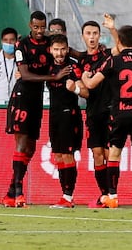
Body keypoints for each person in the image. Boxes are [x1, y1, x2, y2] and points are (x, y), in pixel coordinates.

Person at [82, 24, 132, 209]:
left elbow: (92, 84)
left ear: (119, 41)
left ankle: (112, 196)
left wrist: (86, 76)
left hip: (120, 113)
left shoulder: (114, 61)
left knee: (115, 154)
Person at [2, 11, 71, 208]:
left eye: (43, 27)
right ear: (30, 26)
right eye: (36, 27)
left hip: (37, 98)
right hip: (22, 95)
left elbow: (67, 51)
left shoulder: (49, 42)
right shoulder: (22, 45)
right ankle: (18, 193)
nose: (40, 31)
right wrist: (54, 78)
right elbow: (24, 75)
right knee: (22, 143)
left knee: (30, 148)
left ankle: (10, 192)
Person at [47, 34, 89, 208]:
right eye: (56, 49)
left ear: (67, 48)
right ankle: (64, 196)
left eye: (63, 49)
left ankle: (68, 196)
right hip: (54, 114)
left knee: (67, 154)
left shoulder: (73, 66)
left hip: (69, 115)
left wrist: (76, 88)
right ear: (50, 50)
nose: (60, 53)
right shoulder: (47, 66)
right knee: (57, 155)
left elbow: (87, 92)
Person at [77, 20, 113, 208]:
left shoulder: (107, 55)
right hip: (92, 113)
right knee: (97, 155)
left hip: (110, 111)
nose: (91, 37)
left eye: (95, 33)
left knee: (109, 154)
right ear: (83, 36)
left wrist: (112, 28)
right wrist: (79, 86)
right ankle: (105, 195)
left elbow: (121, 48)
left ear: (100, 35)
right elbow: (84, 90)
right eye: (88, 34)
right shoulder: (81, 60)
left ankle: (113, 195)